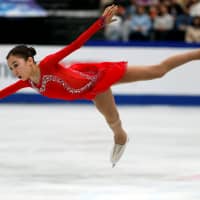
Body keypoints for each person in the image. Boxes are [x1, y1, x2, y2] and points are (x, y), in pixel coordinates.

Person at [1, 4, 200, 167]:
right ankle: (121, 138)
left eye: (16, 65)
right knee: (114, 123)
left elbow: (76, 44)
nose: (14, 71)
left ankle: (196, 53)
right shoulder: (25, 83)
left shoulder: (48, 64)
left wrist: (100, 23)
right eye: (11, 68)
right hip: (92, 91)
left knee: (157, 71)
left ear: (29, 61)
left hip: (96, 76)